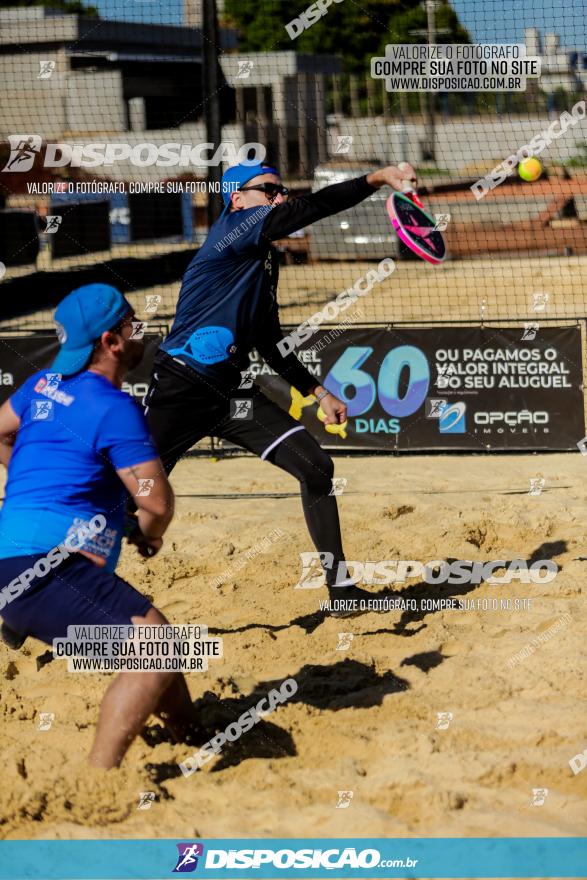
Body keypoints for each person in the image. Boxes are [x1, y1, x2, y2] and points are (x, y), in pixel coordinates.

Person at [144, 162, 416, 617]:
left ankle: (342, 595)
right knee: (127, 501)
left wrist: (318, 393)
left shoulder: (264, 260)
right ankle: (27, 595)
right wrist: (377, 178)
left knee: (317, 468)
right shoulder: (235, 228)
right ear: (236, 199)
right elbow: (311, 209)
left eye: (280, 189)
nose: (279, 196)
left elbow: (269, 340)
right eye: (268, 190)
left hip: (230, 396)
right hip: (181, 386)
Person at [0, 283, 198, 767]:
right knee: (157, 649)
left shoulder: (43, 384)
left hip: (13, 556)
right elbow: (157, 502)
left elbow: (2, 432)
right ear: (111, 342)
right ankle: (97, 779)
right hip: (44, 566)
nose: (141, 332)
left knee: (155, 637)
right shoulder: (114, 407)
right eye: (133, 324)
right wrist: (147, 537)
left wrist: (33, 491)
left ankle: (193, 737)